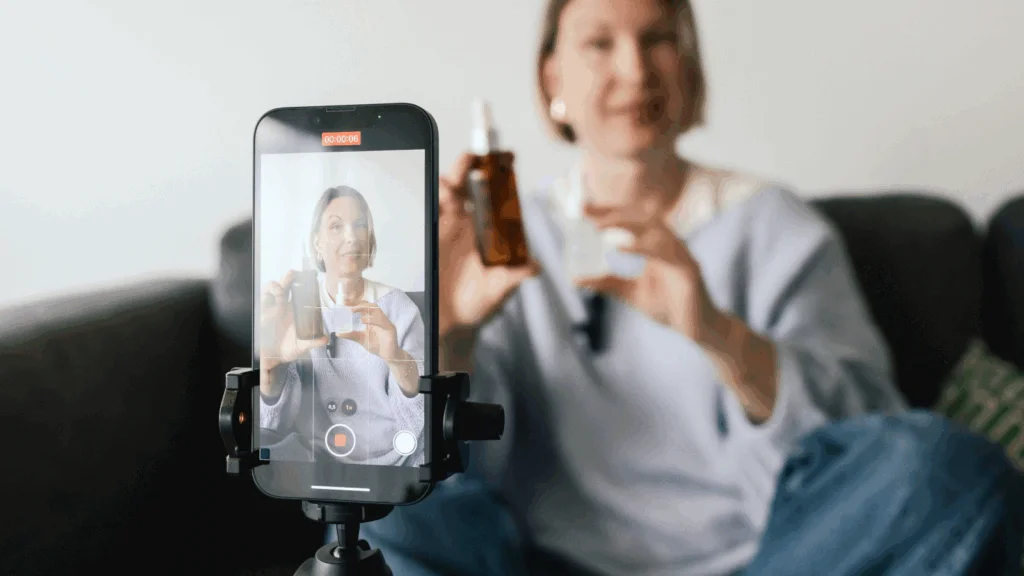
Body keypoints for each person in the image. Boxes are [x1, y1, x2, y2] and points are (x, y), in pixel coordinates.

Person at [355, 0, 1024, 574]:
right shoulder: (500, 242)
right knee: (386, 479)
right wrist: (451, 329)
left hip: (773, 559)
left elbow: (866, 443)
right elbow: (470, 476)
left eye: (659, 39)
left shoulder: (775, 227)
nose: (635, 69)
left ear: (691, 68)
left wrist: (716, 332)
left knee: (946, 468)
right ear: (551, 77)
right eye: (600, 43)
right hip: (539, 561)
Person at [259, 184, 427, 467]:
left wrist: (396, 358)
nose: (351, 236)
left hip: (393, 465)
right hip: (317, 466)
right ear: (317, 241)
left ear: (370, 238)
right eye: (336, 226)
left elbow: (416, 421)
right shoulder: (298, 309)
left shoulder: (398, 309)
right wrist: (272, 362)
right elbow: (272, 425)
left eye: (359, 225)